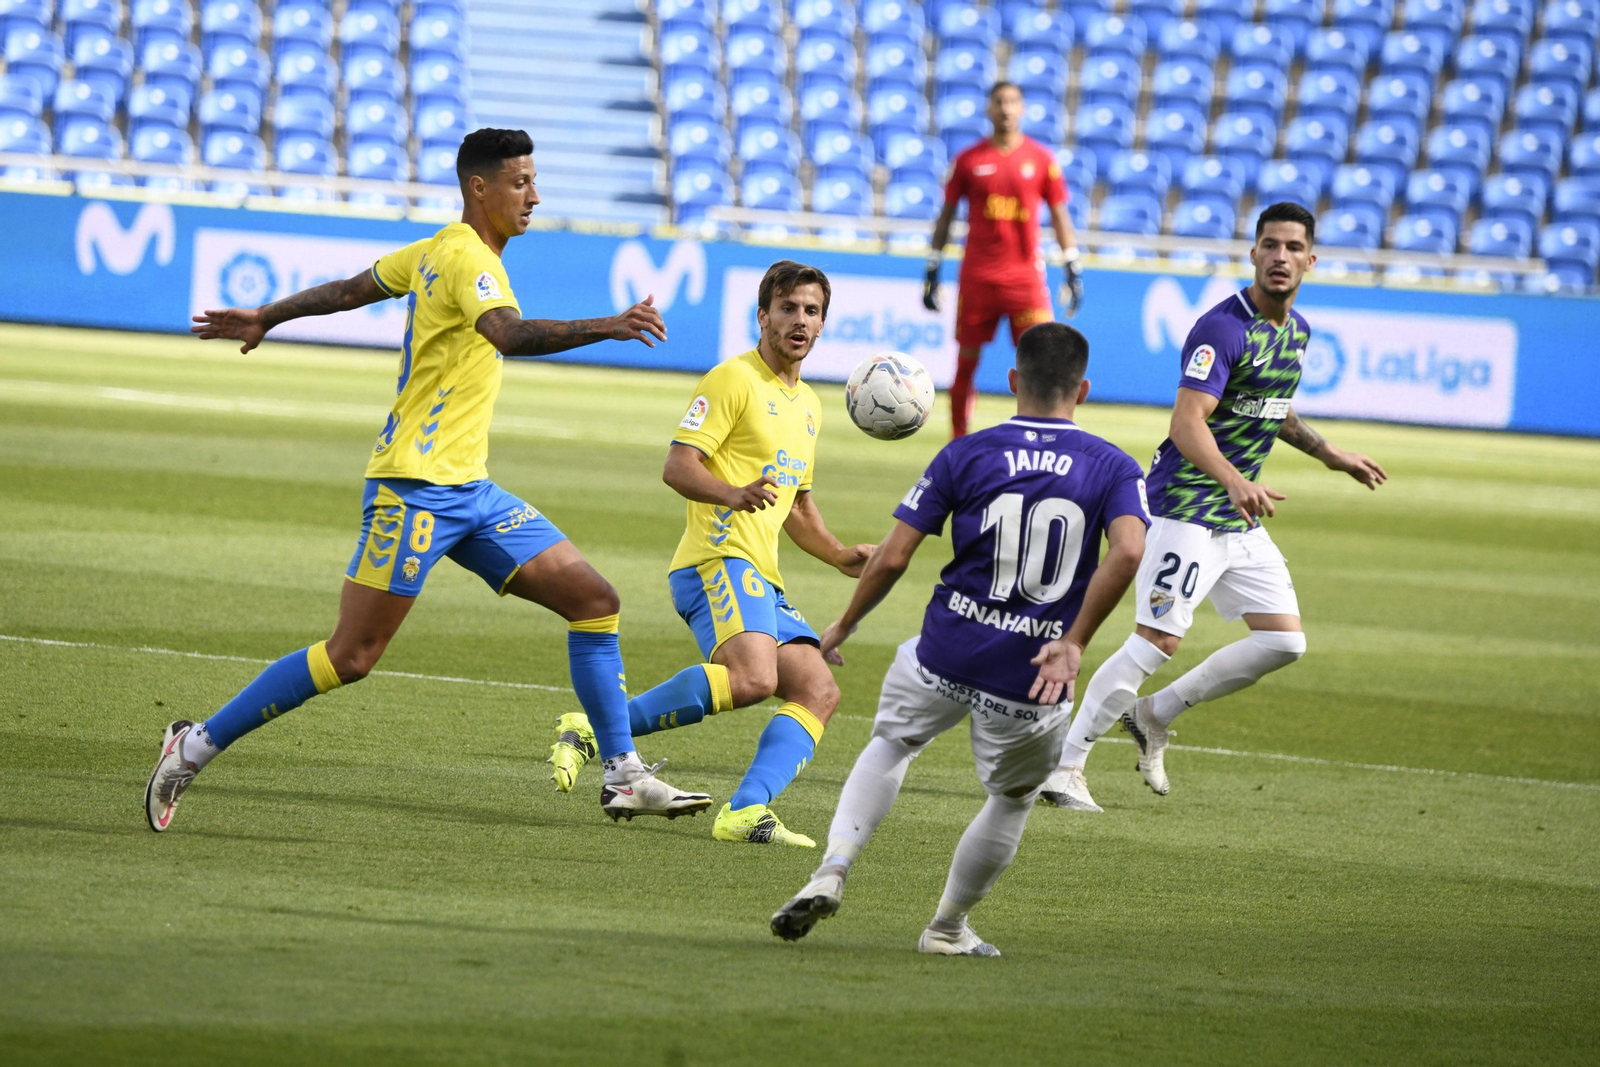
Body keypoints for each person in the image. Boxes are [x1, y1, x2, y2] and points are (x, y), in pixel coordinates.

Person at [147, 127, 711, 832]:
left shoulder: (438, 248)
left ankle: (623, 772)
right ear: (480, 187)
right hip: (413, 488)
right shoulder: (471, 259)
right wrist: (612, 324)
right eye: (519, 182)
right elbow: (507, 333)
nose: (533, 195)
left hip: (469, 491)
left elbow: (353, 289)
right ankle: (193, 744)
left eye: (535, 181)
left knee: (594, 599)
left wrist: (270, 312)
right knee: (351, 655)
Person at [770, 322, 1148, 955]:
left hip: (941, 651)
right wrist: (1076, 639)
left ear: (1011, 381)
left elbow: (891, 557)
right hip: (1031, 671)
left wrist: (843, 624)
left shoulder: (967, 452)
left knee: (892, 744)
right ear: (1082, 389)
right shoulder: (1113, 466)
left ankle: (831, 868)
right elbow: (1130, 552)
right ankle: (946, 928)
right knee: (1012, 797)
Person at [1039, 203, 1388, 813]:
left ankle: (1155, 714)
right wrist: (1232, 479)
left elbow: (1271, 409)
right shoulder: (1223, 328)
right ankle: (1065, 768)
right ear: (1252, 254)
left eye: (1292, 247)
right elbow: (1186, 421)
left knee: (1284, 643)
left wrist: (1330, 454)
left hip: (1235, 512)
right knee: (1154, 641)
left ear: (1311, 259)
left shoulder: (1296, 332)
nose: (1281, 257)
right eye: (1270, 245)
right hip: (1185, 505)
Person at [548, 261, 874, 847]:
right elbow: (678, 466)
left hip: (760, 574)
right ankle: (602, 727)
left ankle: (744, 811)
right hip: (716, 558)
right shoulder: (732, 381)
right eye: (789, 309)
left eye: (812, 311)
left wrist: (842, 556)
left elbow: (796, 507)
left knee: (817, 691)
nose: (800, 321)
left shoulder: (809, 406)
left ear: (823, 324)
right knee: (752, 678)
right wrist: (732, 493)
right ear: (763, 316)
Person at [923, 81, 1083, 439]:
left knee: (1044, 363)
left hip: (1025, 279)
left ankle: (1041, 438)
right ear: (989, 109)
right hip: (979, 277)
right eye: (999, 102)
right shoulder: (968, 160)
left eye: (1012, 101)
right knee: (966, 361)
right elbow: (946, 215)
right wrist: (933, 265)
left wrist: (1071, 263)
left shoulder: (1041, 160)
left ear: (1022, 108)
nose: (1006, 108)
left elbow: (1059, 215)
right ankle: (958, 443)